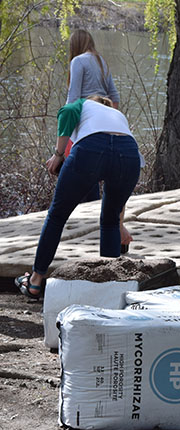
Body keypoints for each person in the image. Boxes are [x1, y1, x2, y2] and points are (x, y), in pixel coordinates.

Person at [14, 96, 142, 299]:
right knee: (109, 221)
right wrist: (120, 224)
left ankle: (35, 281)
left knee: (57, 216)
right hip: (129, 154)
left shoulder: (82, 104)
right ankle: (109, 288)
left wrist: (57, 154)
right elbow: (126, 154)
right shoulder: (117, 115)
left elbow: (66, 112)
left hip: (91, 149)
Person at [65, 29, 133, 249]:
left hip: (86, 122)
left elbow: (73, 98)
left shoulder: (77, 61)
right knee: (112, 185)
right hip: (109, 124)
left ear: (75, 45)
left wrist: (66, 134)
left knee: (82, 179)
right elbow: (114, 97)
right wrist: (112, 121)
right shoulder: (102, 61)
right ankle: (115, 229)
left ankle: (90, 231)